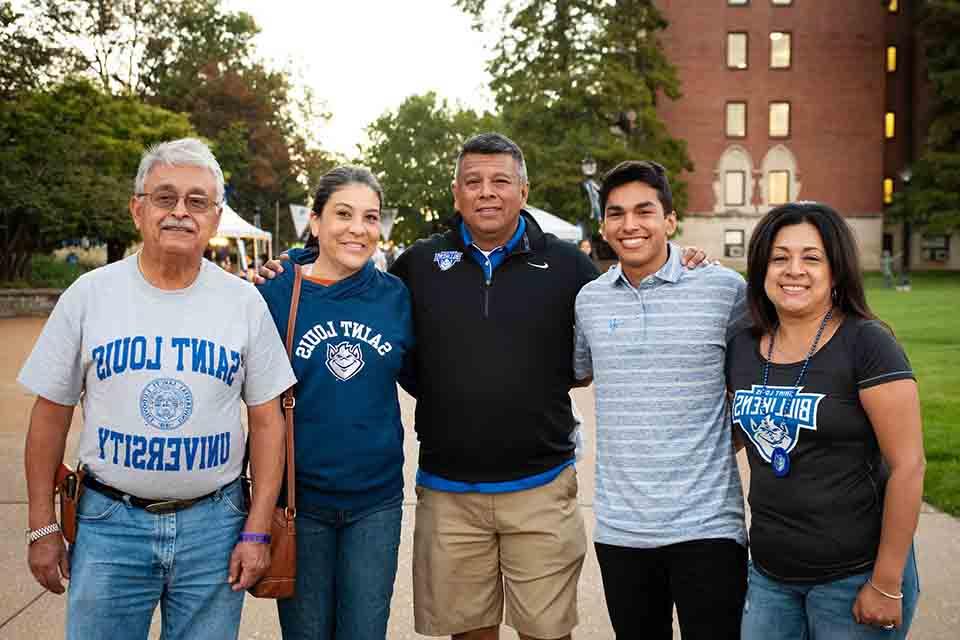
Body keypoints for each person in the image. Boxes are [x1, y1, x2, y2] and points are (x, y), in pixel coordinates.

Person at [255, 133, 708, 640]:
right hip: (449, 493)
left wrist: (685, 260)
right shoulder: (419, 265)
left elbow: (629, 286)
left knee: (547, 632)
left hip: (541, 487)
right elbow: (347, 279)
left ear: (524, 190)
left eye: (500, 181)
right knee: (468, 633)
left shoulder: (568, 266)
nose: (486, 192)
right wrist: (290, 261)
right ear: (456, 193)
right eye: (473, 182)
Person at [19, 138, 296, 640]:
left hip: (215, 528)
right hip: (108, 524)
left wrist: (257, 528)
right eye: (165, 197)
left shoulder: (243, 303)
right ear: (137, 208)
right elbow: (50, 414)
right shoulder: (89, 296)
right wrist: (42, 525)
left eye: (197, 202)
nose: (180, 213)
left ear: (214, 218)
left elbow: (267, 419)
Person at [726, 201, 924, 639]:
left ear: (836, 271)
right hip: (770, 575)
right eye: (780, 257)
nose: (793, 269)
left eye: (811, 258)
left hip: (853, 576)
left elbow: (909, 466)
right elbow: (739, 432)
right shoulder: (742, 346)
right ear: (761, 268)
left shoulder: (867, 345)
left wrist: (886, 582)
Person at [573, 160, 750, 639]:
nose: (630, 224)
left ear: (670, 221)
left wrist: (720, 440)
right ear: (604, 225)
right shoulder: (589, 300)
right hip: (621, 528)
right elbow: (576, 374)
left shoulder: (725, 290)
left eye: (644, 211)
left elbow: (766, 373)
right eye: (616, 213)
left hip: (708, 525)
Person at [255, 166, 414, 639]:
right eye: (343, 214)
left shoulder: (394, 297)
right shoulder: (276, 291)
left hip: (375, 502)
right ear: (316, 221)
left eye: (371, 218)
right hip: (300, 504)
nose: (358, 229)